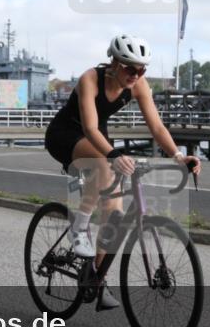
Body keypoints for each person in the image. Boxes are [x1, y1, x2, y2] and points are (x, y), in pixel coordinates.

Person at [44, 34, 201, 310]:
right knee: (104, 165)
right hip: (66, 134)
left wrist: (178, 156)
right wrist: (114, 155)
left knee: (114, 215)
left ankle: (94, 278)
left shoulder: (139, 85)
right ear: (115, 62)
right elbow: (90, 128)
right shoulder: (90, 79)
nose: (136, 75)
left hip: (97, 141)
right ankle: (79, 228)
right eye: (130, 68)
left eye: (142, 70)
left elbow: (157, 128)